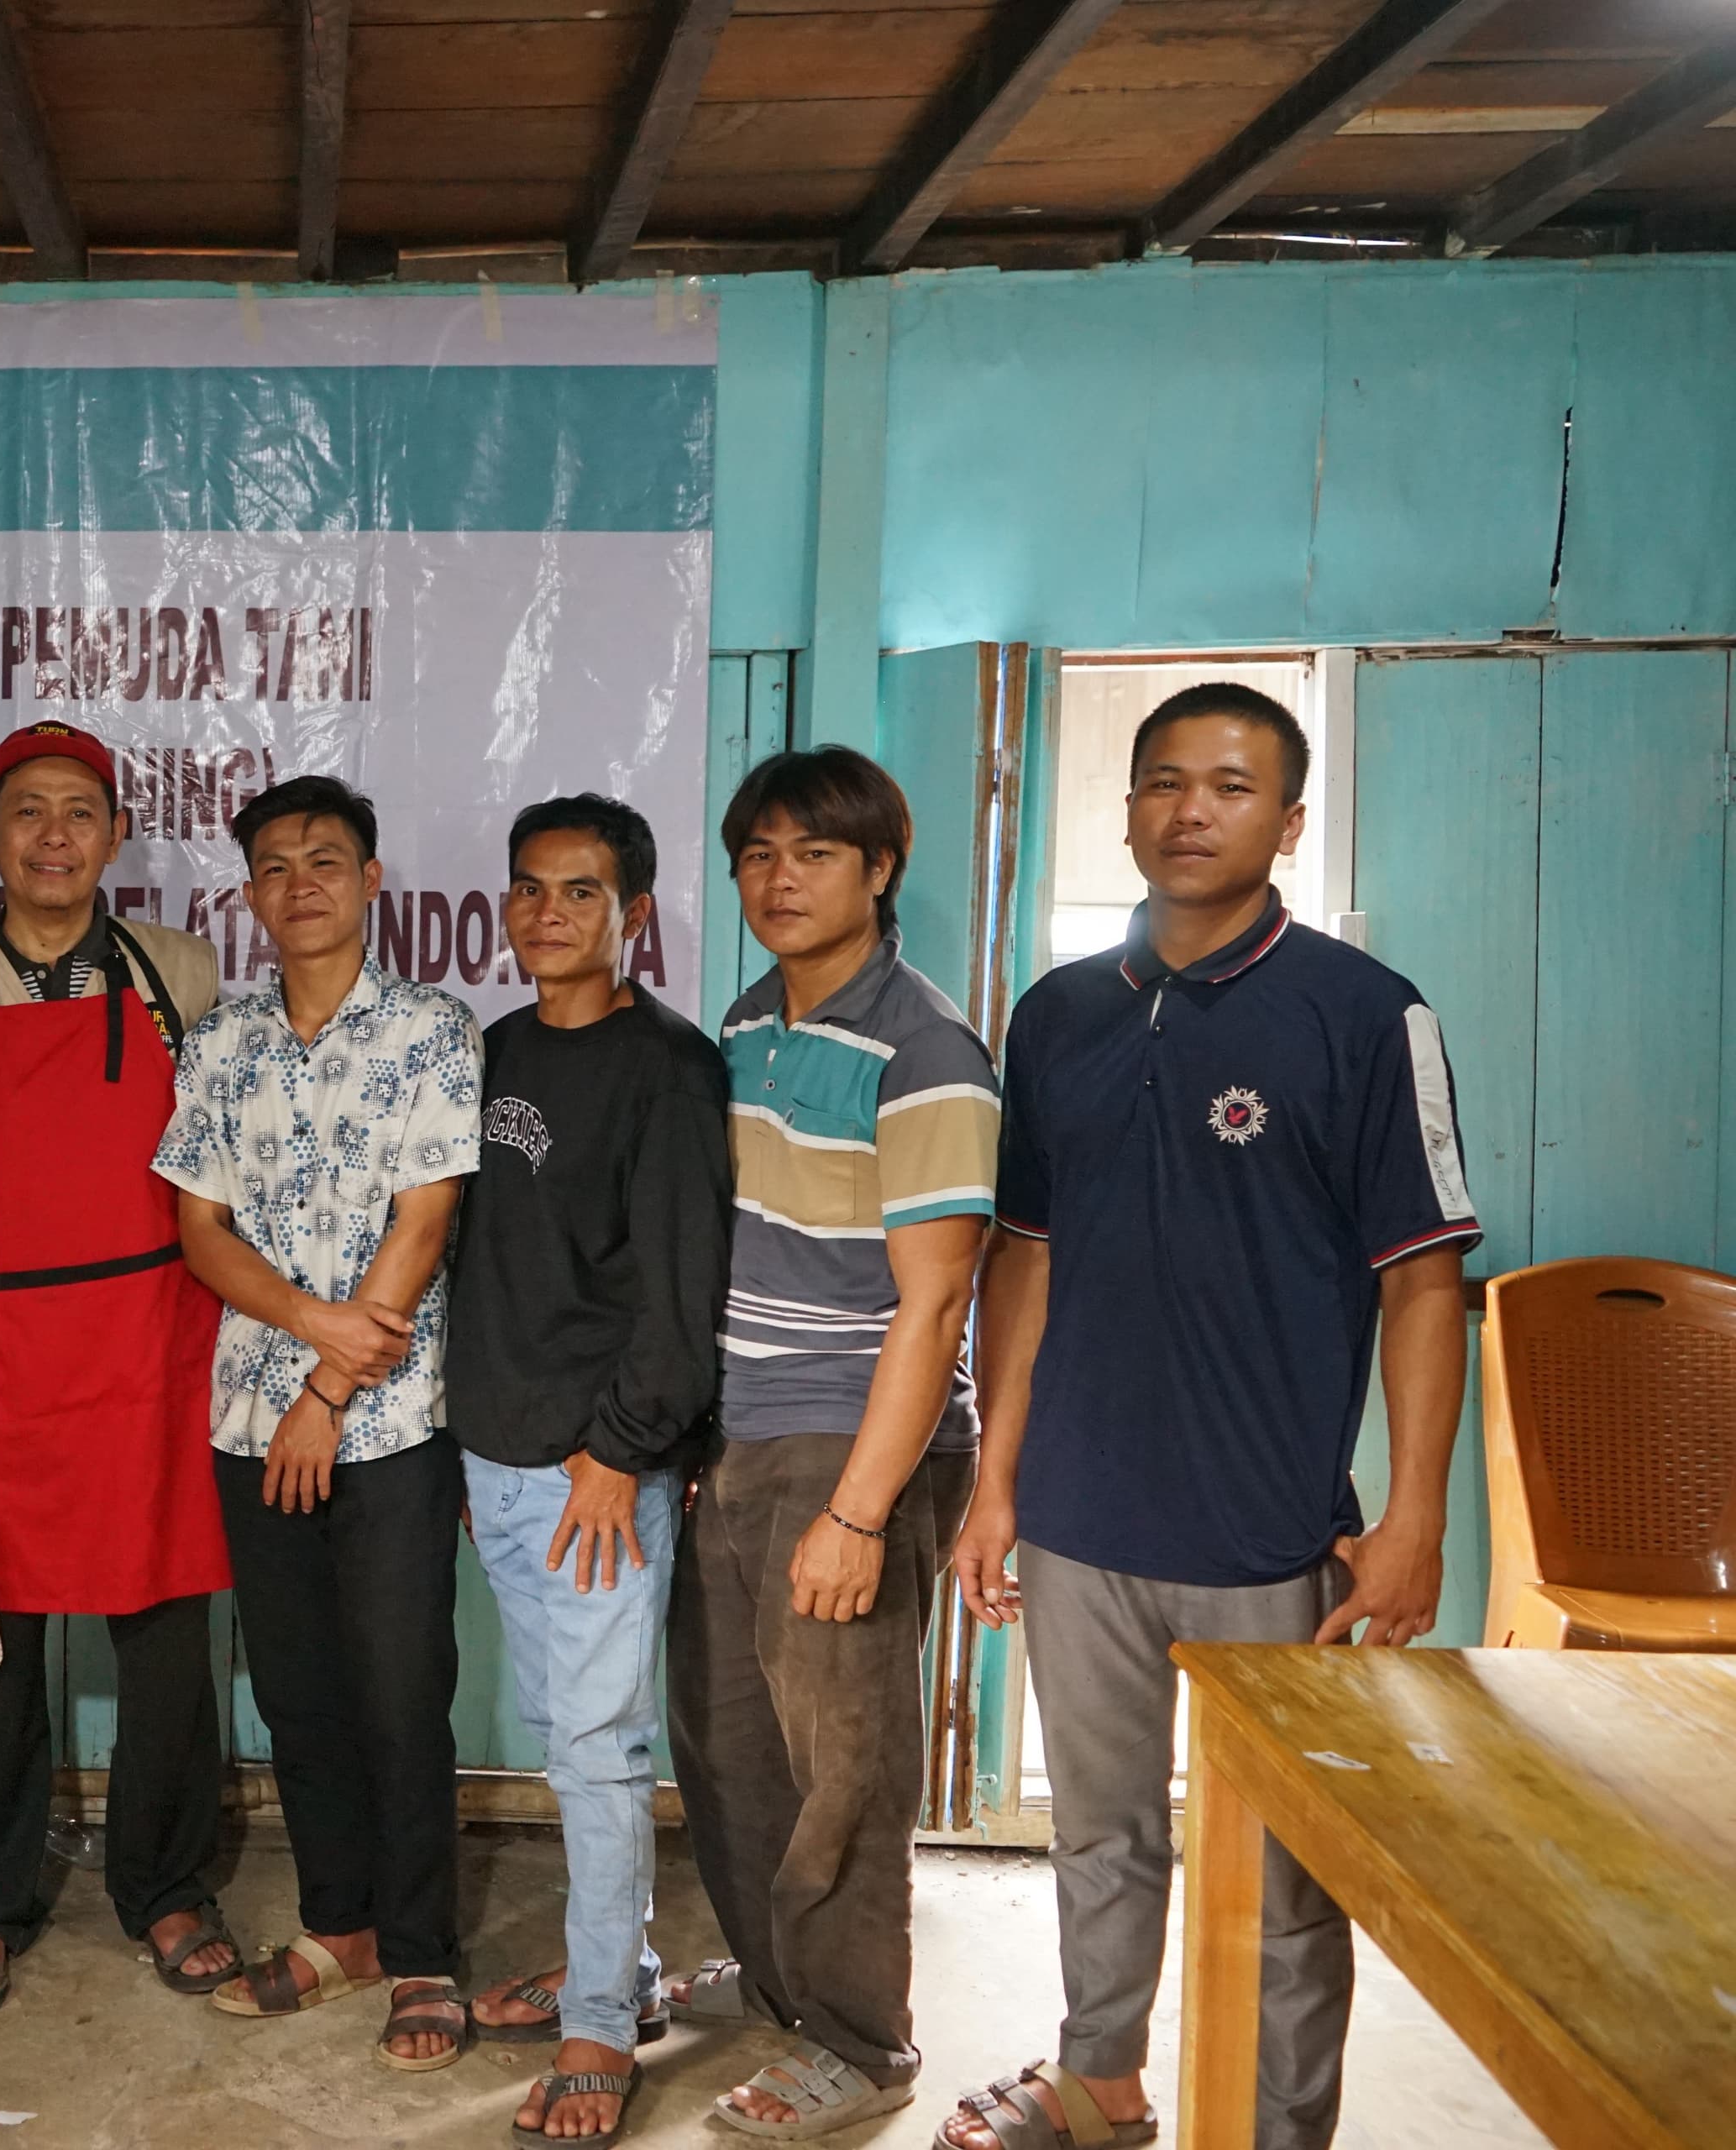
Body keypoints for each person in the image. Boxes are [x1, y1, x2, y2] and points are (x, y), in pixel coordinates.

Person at [941, 684, 1476, 2150]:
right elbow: (1026, 1260)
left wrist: (1417, 1517)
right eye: (1165, 782)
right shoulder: (1056, 1016)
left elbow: (1428, 1280)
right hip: (1079, 1518)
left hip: (1268, 1532)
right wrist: (999, 1488)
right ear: (1125, 809)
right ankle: (1100, 2077)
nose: (1193, 810)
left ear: (1288, 822)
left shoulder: (1366, 1015)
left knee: (1288, 1884)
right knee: (1105, 1838)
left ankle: (1275, 2131)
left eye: (1233, 787)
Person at [0, 718, 240, 2016]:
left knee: (168, 1641)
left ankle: (169, 1885)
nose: (55, 834)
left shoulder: (183, 974)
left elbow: (221, 1173)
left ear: (116, 835)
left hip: (149, 1351)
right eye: (28, 811)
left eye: (81, 810)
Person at [663, 748, 998, 2140]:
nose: (779, 877)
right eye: (757, 854)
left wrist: (859, 1514)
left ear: (881, 871)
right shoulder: (744, 1024)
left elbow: (934, 1306)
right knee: (733, 1751)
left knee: (846, 1768)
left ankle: (860, 2045)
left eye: (813, 852)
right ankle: (787, 1981)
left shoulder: (924, 1048)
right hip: (732, 1444)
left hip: (850, 1445)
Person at [151, 775, 480, 2068]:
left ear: (373, 881)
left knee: (404, 1691)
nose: (301, 884)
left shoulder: (431, 1029)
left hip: (389, 1425)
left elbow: (427, 1217)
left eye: (327, 860)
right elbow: (199, 1230)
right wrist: (310, 1328)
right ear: (249, 897)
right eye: (276, 866)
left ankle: (424, 1954)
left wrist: (332, 1386)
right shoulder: (223, 1041)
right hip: (250, 1418)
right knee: (298, 1691)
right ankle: (337, 1925)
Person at [448, 794, 732, 2147]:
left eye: (579, 894)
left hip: (597, 1474)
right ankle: (611, 1967)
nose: (546, 915)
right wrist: (476, 1439)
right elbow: (485, 1271)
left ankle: (602, 2031)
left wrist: (617, 1456)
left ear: (635, 916)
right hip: (498, 1459)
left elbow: (682, 1302)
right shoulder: (495, 1051)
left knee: (599, 1751)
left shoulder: (671, 1069)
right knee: (567, 1743)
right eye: (528, 890)